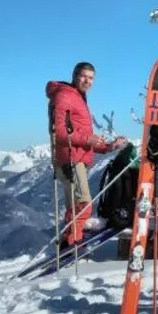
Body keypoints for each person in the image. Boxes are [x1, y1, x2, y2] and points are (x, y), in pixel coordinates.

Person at [45, 62, 127, 246]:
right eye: (84, 76)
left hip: (77, 158)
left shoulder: (78, 98)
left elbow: (84, 138)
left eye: (91, 78)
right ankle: (72, 240)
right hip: (70, 159)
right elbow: (57, 131)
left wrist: (109, 146)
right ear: (74, 75)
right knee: (83, 204)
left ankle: (71, 238)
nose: (87, 81)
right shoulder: (64, 96)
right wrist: (87, 140)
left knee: (76, 206)